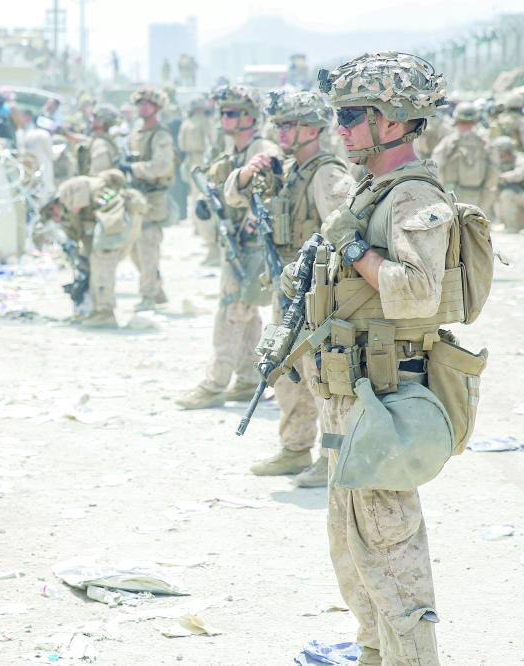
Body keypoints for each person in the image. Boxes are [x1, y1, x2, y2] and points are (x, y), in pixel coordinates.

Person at [314, 51, 462, 665]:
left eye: (353, 115)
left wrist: (352, 249)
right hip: (352, 391)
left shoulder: (413, 195)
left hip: (385, 393)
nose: (341, 128)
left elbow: (416, 290)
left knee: (389, 548)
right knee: (351, 546)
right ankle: (375, 652)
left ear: (394, 121)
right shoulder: (374, 189)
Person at [223, 90, 354, 486]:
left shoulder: (326, 174)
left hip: (316, 297)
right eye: (278, 125)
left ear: (312, 129)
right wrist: (246, 173)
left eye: (289, 125)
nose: (280, 132)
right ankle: (295, 448)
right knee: (286, 374)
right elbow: (233, 196)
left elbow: (345, 232)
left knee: (321, 380)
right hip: (288, 291)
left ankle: (332, 459)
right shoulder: (288, 168)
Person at [176, 84, 281, 410]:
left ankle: (214, 384)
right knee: (246, 311)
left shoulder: (263, 151)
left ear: (249, 117)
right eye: (221, 113)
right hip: (236, 240)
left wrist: (249, 220)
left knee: (231, 309)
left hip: (253, 243)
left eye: (231, 113)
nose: (223, 118)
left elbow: (273, 196)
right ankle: (248, 378)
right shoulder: (231, 151)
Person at [57, 170, 148, 328]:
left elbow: (76, 209)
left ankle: (105, 313)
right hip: (116, 223)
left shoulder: (74, 186)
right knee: (99, 265)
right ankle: (99, 310)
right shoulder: (93, 187)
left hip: (112, 225)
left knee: (102, 267)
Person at [118, 86, 176, 312]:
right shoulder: (136, 132)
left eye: (148, 104)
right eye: (140, 104)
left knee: (147, 247)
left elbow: (162, 165)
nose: (143, 108)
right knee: (134, 249)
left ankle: (148, 295)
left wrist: (133, 168)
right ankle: (156, 288)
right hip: (136, 196)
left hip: (153, 198)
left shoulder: (160, 135)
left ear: (157, 108)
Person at [431, 102, 497, 216]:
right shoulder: (483, 141)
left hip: (461, 193)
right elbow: (494, 165)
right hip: (471, 193)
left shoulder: (450, 142)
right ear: (475, 121)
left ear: (456, 120)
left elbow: (435, 165)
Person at [179, 96, 216, 264]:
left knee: (198, 198)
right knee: (194, 197)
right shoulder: (190, 122)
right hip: (192, 161)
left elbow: (210, 142)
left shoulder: (202, 122)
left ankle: (207, 237)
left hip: (200, 162)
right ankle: (199, 229)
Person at [493, 135, 524, 232]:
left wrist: (504, 176)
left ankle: (515, 226)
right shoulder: (501, 162)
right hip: (514, 192)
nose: (501, 157)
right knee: (498, 194)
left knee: (507, 195)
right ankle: (505, 223)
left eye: (503, 155)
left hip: (521, 192)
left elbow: (519, 174)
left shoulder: (520, 160)